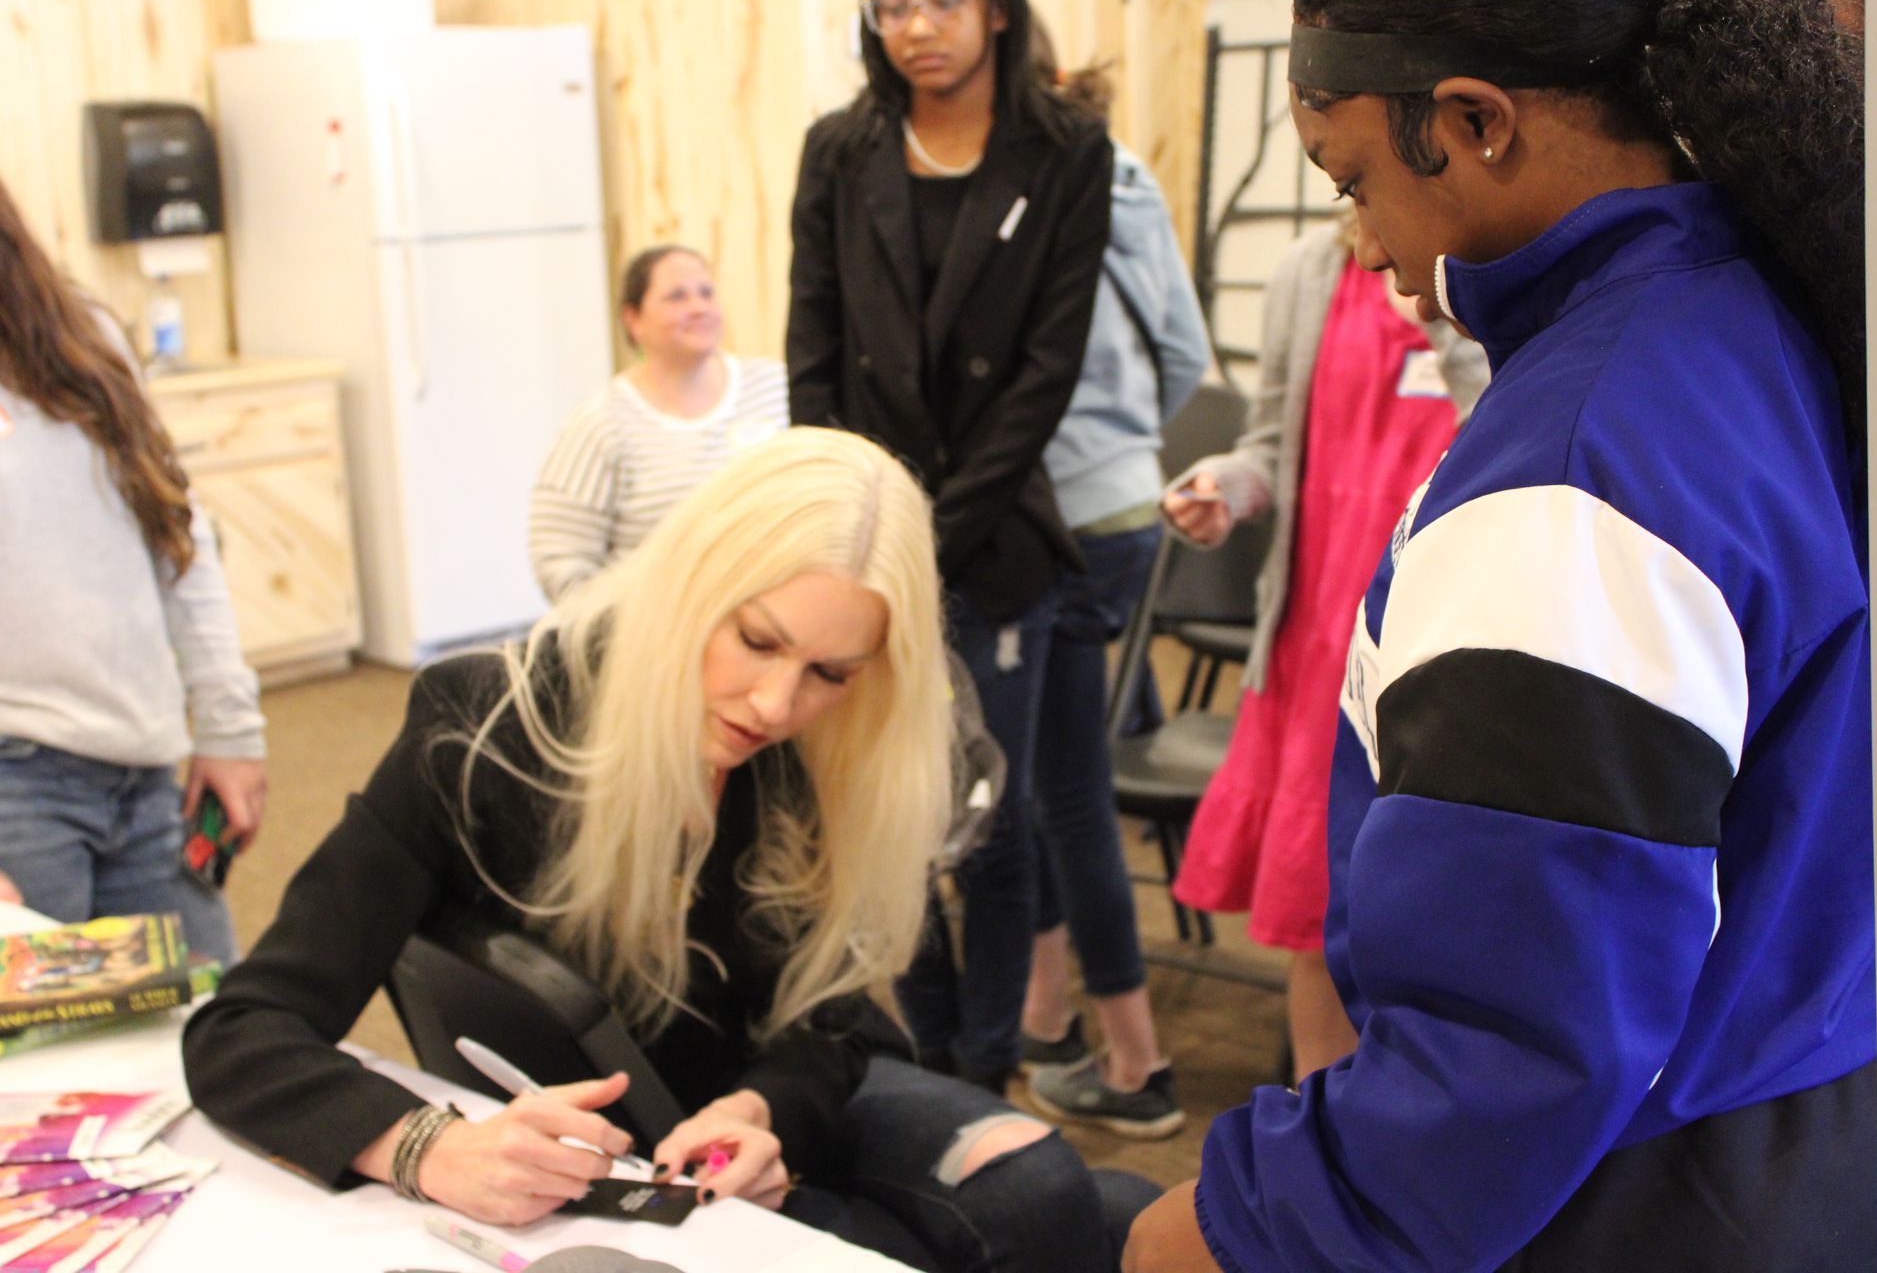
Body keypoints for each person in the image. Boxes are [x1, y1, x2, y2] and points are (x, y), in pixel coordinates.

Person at [1124, 0, 1871, 1269]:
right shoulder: (1752, 320)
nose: (1359, 242)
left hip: (1648, 1184)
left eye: (1352, 177)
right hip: (1805, 1100)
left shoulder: (1581, 466)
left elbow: (1522, 1036)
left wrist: (1252, 1224)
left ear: (1475, 125)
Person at [184, 429, 1155, 1273]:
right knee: (1050, 1219)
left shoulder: (823, 749)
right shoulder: (484, 732)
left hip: (737, 1129)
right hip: (614, 1155)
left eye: (829, 672)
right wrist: (420, 1143)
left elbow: (832, 1017)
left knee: (1055, 1194)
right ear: (693, 583)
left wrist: (761, 1111)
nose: (776, 705)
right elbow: (245, 1027)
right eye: (755, 640)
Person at [787, 0, 1114, 1092]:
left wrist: (929, 535)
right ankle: (927, 1051)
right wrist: (849, 521)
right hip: (864, 534)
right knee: (886, 816)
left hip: (993, 535)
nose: (916, 26)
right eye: (890, 7)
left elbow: (1044, 373)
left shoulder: (1065, 148)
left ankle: (986, 1066)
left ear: (997, 14)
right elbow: (813, 350)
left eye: (940, 2)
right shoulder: (841, 149)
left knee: (992, 818)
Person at [1158, 213, 1487, 1086]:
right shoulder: (1311, 270)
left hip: (1436, 640)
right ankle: (1317, 1137)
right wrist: (1225, 487)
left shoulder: (1493, 268)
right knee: (1319, 916)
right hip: (1318, 643)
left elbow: (1505, 420)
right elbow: (1272, 443)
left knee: (1422, 910)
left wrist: (1445, 314)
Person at [1010, 25, 1210, 1139]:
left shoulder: (1028, 176)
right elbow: (1183, 350)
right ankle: (1046, 1013)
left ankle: (1137, 1061)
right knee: (1044, 782)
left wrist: (1076, 451)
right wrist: (1124, 443)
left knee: (1062, 793)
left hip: (1048, 517)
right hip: (1124, 500)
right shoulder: (1119, 164)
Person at [0, 176, 266, 966]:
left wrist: (229, 727)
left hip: (148, 773)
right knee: (49, 1074)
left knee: (209, 1036)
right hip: (15, 791)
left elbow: (178, 538)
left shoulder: (84, 343)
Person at [529, 245, 788, 602]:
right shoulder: (601, 423)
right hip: (654, 634)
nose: (699, 307)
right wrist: (617, 629)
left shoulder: (775, 386)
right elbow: (559, 558)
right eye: (676, 297)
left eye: (706, 293)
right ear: (633, 320)